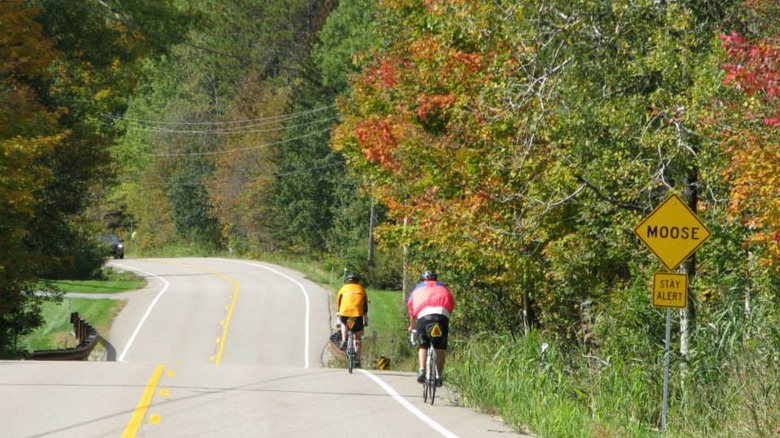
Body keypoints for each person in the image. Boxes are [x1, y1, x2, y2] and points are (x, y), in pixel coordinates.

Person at [407, 270, 454, 387]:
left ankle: (422, 369)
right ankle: (439, 376)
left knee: (423, 345)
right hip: (442, 316)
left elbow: (411, 309)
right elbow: (451, 305)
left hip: (424, 316)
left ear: (423, 280)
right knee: (440, 348)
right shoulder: (443, 288)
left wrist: (412, 326)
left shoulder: (417, 289)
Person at [336, 273, 369, 365]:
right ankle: (357, 359)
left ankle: (344, 340)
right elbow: (365, 305)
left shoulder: (343, 288)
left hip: (345, 312)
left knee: (343, 323)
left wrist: (338, 311)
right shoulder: (361, 289)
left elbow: (338, 301)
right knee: (357, 337)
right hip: (357, 314)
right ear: (357, 281)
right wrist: (365, 317)